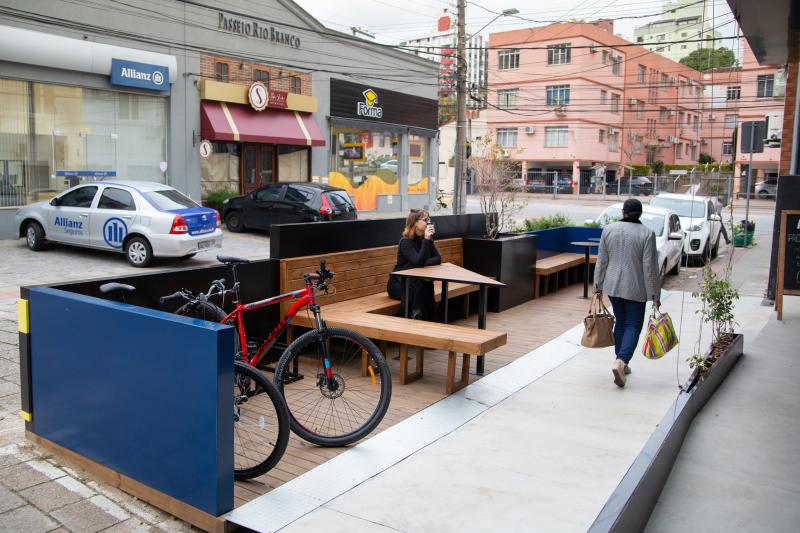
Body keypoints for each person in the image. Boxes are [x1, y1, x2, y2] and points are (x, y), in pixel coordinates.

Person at [593, 198, 661, 388]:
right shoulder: (647, 234)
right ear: (640, 213)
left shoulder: (609, 230)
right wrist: (655, 294)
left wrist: (597, 285)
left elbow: (602, 261)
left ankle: (621, 362)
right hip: (636, 287)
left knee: (621, 322)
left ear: (623, 212)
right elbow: (650, 268)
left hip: (613, 286)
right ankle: (621, 361)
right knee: (633, 325)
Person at [387, 209, 441, 320]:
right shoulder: (405, 241)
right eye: (425, 220)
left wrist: (427, 240)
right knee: (423, 285)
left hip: (415, 282)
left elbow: (438, 258)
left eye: (428, 219)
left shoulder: (424, 240)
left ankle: (421, 316)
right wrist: (426, 240)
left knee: (425, 283)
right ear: (415, 222)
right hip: (399, 284)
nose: (428, 222)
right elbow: (418, 262)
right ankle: (423, 316)